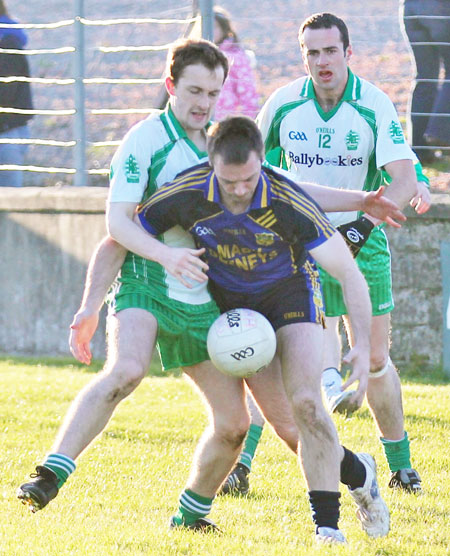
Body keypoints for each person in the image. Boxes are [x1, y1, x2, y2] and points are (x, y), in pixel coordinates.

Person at [132, 115, 391, 543]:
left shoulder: (286, 197)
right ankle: (360, 472)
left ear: (261, 164)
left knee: (309, 405)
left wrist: (362, 345)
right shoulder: (187, 189)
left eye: (248, 179)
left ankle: (327, 530)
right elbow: (131, 230)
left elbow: (348, 272)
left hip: (291, 296)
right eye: (228, 182)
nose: (238, 191)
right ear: (210, 163)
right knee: (292, 430)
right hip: (238, 316)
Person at [237, 12, 427, 497]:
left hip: (362, 242)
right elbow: (252, 171)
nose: (321, 61)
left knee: (378, 361)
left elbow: (403, 180)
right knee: (277, 357)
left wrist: (363, 228)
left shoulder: (372, 105)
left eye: (330, 51)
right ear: (304, 56)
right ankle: (241, 464)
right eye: (312, 52)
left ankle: (400, 463)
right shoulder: (282, 106)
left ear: (348, 53)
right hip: (300, 245)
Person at [401, 0, 450, 164]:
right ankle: (440, 135)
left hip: (411, 8)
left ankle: (420, 149)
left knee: (425, 77)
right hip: (440, 8)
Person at [0, 1, 33, 187]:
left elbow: (6, 92)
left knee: (8, 200)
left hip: (6, 132)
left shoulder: (7, 40)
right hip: (8, 129)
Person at [213, 6, 259, 121]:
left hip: (228, 121)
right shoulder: (198, 56)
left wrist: (247, 122)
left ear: (224, 28)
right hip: (203, 120)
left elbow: (247, 92)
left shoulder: (236, 56)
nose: (211, 30)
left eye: (215, 27)